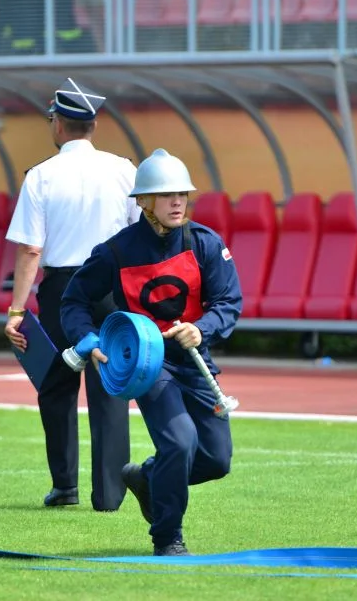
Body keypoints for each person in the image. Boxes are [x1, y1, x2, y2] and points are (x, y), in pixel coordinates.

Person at [59, 148, 243, 556]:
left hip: (196, 362)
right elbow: (73, 301)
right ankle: (167, 537)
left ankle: (147, 477)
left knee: (217, 460)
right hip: (147, 365)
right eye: (165, 195)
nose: (177, 202)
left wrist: (202, 328)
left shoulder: (206, 243)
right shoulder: (115, 251)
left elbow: (228, 302)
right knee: (179, 442)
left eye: (182, 193)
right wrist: (86, 340)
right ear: (143, 201)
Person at [4, 77, 142, 512]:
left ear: (59, 125)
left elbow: (31, 249)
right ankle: (110, 493)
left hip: (63, 289)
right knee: (111, 388)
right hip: (112, 288)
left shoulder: (41, 176)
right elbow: (141, 235)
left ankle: (65, 487)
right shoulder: (125, 169)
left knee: (56, 385)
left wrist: (15, 309)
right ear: (93, 126)